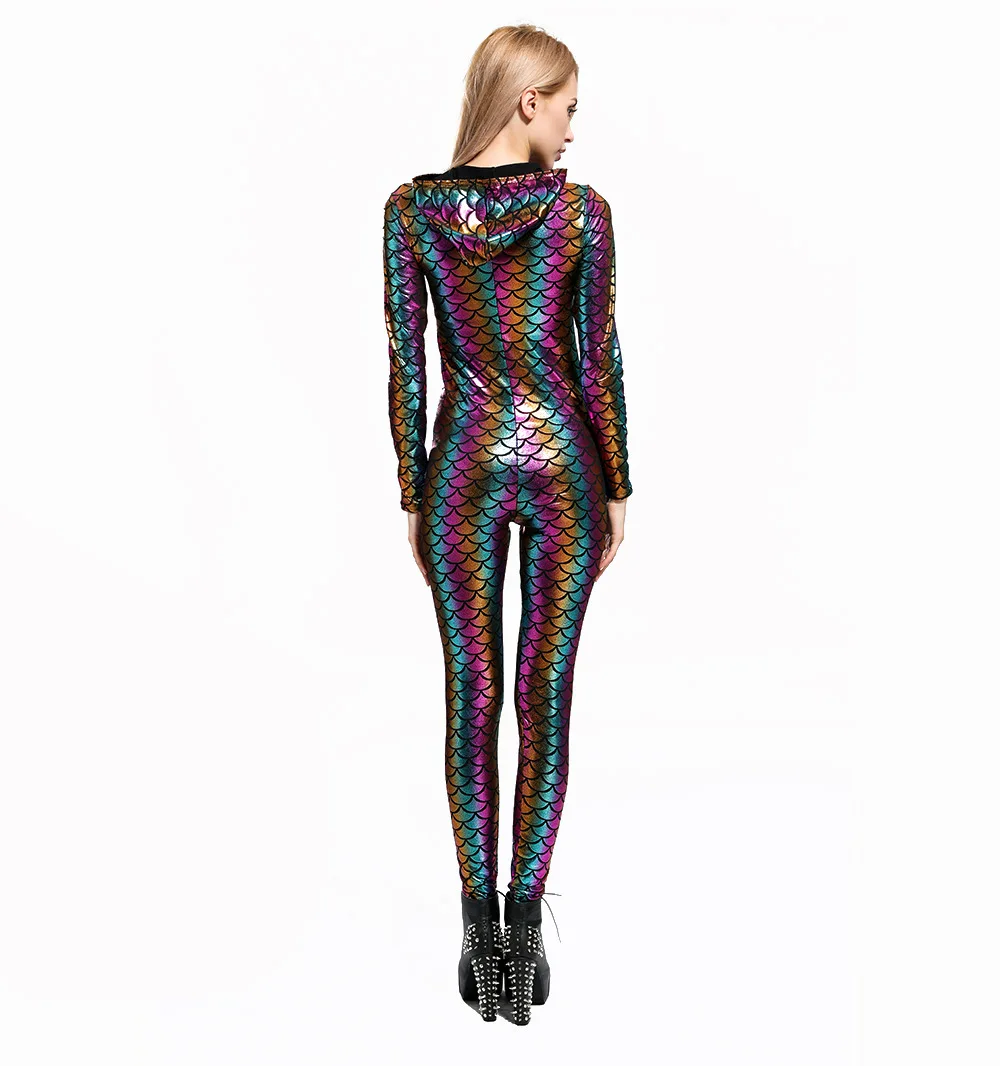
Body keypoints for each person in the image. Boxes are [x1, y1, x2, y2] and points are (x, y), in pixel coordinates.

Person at [382, 24, 632, 1024]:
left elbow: (408, 364)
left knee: (471, 693)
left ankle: (476, 934)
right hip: (563, 464)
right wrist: (618, 483)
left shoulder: (412, 213)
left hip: (464, 471)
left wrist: (415, 491)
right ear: (527, 100)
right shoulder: (581, 214)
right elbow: (596, 355)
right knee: (544, 693)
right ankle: (523, 936)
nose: (572, 128)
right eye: (566, 107)